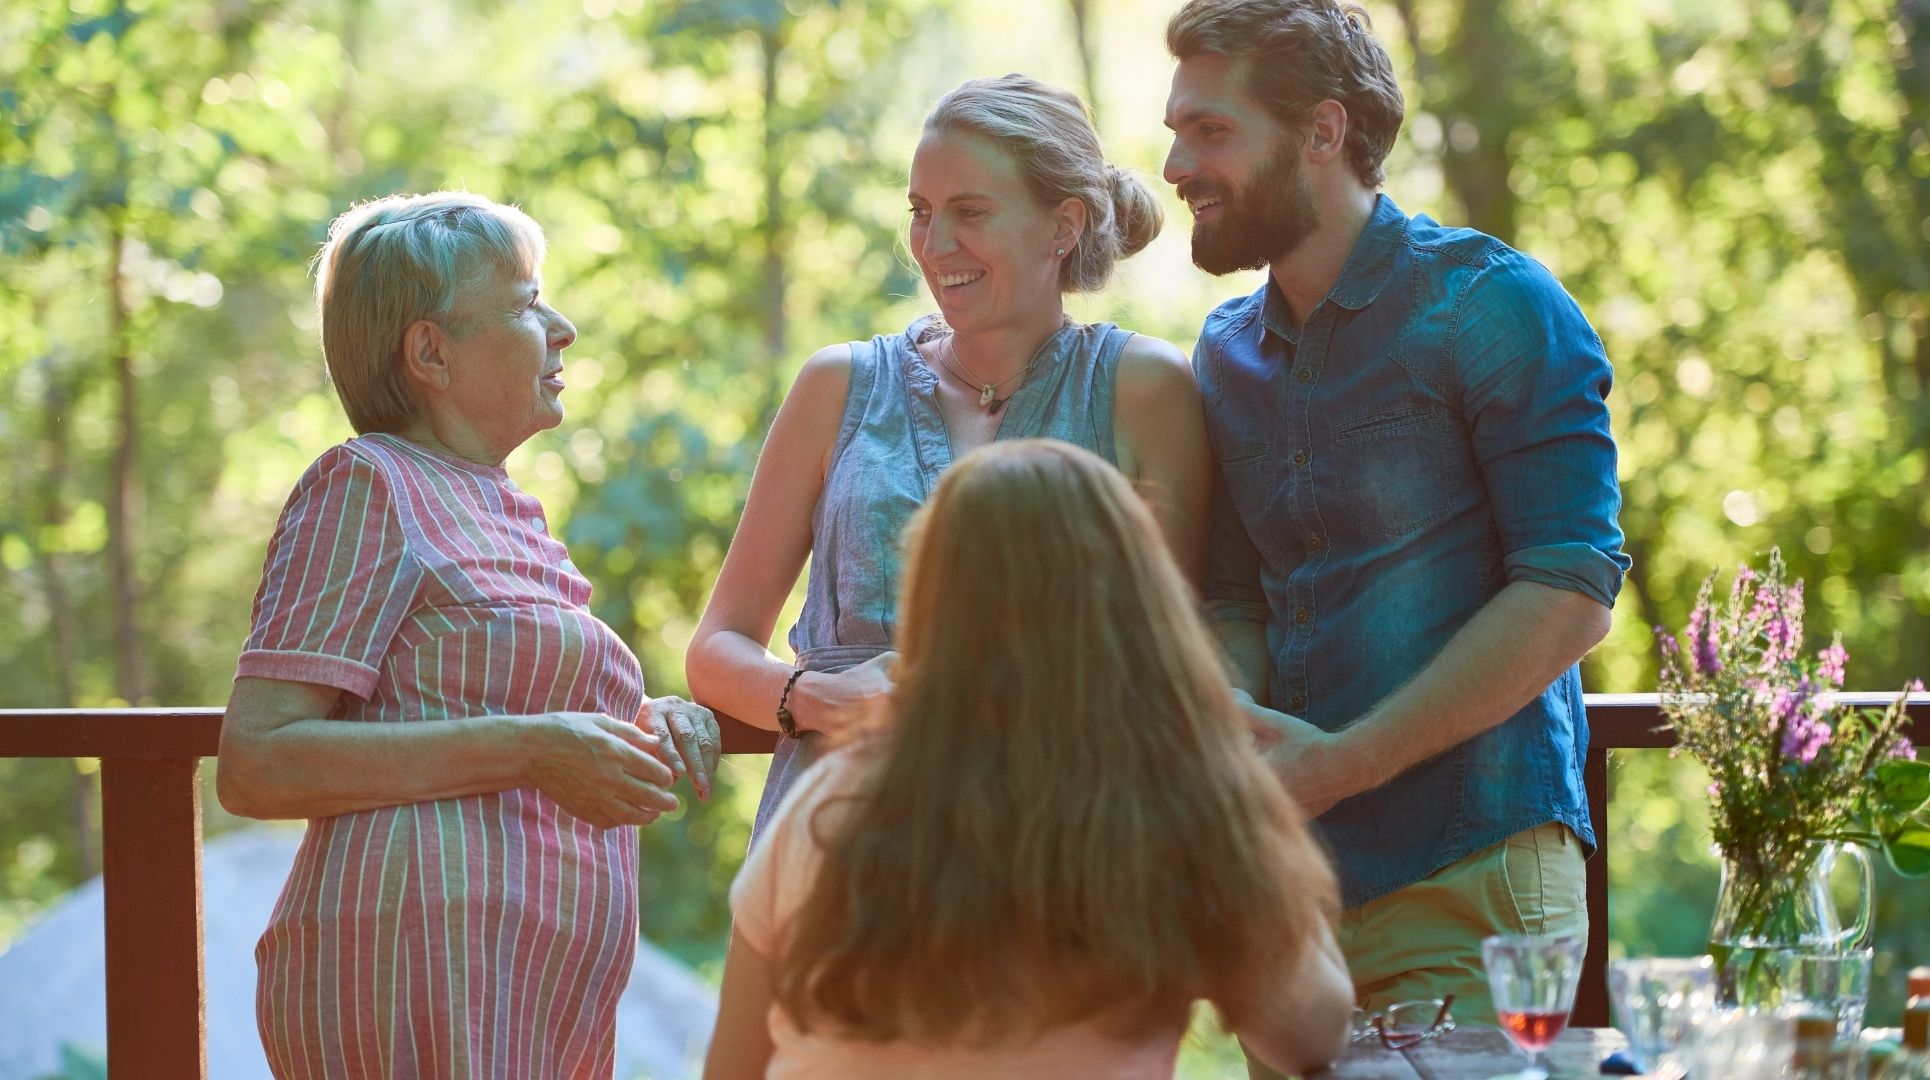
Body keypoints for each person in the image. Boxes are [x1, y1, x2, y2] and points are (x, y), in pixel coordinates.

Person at [1160, 0, 1631, 1042]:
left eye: (1211, 130)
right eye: (1176, 131)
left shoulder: (1495, 303)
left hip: (1470, 882)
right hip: (1289, 902)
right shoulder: (1224, 353)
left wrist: (1345, 761)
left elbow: (1570, 590)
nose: (1176, 165)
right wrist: (1233, 724)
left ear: (1321, 132)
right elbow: (1235, 598)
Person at [216, 191, 720, 1078]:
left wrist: (647, 717)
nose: (562, 330)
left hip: (526, 996)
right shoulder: (368, 484)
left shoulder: (497, 506)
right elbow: (258, 762)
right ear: (430, 353)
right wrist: (530, 749)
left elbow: (494, 699)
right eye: (528, 305)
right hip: (417, 981)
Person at [702, 439, 1354, 1079]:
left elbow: (731, 1069)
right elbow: (1313, 1032)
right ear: (1137, 606)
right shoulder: (1179, 808)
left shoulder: (830, 803)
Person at [685, 73, 1209, 839]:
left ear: (1063, 226)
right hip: (835, 847)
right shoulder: (838, 385)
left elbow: (1179, 658)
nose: (934, 246)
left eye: (970, 212)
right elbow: (715, 649)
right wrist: (817, 697)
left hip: (1063, 848)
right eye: (921, 213)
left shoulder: (1143, 388)